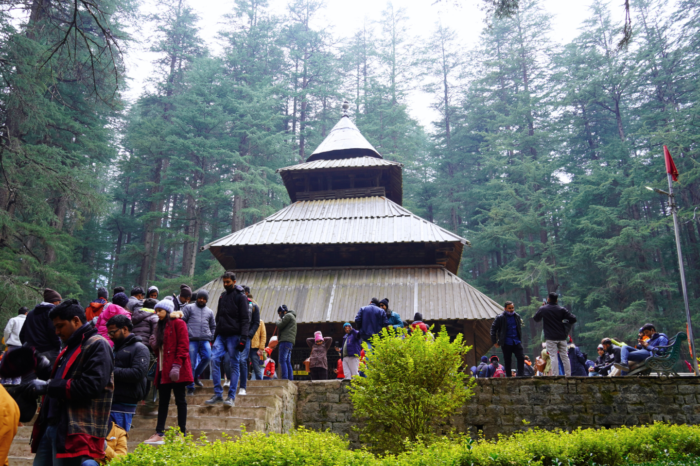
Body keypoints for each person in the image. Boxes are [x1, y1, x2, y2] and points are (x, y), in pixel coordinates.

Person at [28, 299, 114, 466]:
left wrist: (48, 386)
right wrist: (40, 364)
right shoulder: (70, 347)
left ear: (76, 320)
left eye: (60, 326)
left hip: (74, 430)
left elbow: (91, 386)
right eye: (55, 327)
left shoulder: (98, 344)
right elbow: (63, 381)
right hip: (53, 425)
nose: (57, 332)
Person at [143, 299, 193, 445]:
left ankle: (182, 432)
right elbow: (160, 350)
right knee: (163, 401)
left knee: (180, 400)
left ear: (168, 311)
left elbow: (183, 346)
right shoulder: (159, 325)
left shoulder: (179, 323)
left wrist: (177, 365)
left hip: (177, 369)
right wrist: (153, 345)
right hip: (163, 369)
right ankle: (159, 433)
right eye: (156, 310)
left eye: (160, 310)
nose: (157, 313)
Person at [206, 272, 249, 407]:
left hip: (234, 335)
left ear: (234, 282)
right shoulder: (222, 296)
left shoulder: (241, 297)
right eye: (224, 282)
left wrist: (243, 338)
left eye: (228, 282)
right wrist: (214, 336)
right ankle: (218, 394)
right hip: (221, 335)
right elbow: (218, 317)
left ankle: (231, 397)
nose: (225, 284)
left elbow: (245, 319)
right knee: (213, 359)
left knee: (234, 363)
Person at [107, 315, 149, 433]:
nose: (110, 336)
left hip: (124, 404)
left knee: (118, 444)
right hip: (110, 402)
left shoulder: (140, 348)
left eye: (112, 332)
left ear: (124, 329)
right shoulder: (114, 349)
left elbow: (137, 373)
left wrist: (110, 371)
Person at [533, 292, 577, 377]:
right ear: (557, 300)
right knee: (565, 356)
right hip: (562, 336)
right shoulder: (561, 309)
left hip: (550, 337)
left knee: (553, 357)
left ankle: (555, 375)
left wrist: (541, 307)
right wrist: (565, 323)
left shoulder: (544, 309)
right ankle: (568, 375)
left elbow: (536, 318)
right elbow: (573, 319)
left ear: (548, 299)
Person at [180, 290, 215, 396]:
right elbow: (182, 322)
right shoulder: (188, 308)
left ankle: (195, 376)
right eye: (200, 298)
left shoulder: (209, 311)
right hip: (191, 340)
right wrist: (186, 334)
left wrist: (211, 336)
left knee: (208, 357)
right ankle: (190, 387)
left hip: (205, 340)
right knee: (191, 362)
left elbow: (213, 326)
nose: (201, 300)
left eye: (204, 299)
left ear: (206, 300)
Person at [20, 288, 62, 365]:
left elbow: (22, 334)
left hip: (30, 352)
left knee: (30, 375)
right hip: (49, 351)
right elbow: (53, 331)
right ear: (54, 301)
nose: (59, 304)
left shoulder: (31, 313)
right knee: (50, 375)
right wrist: (58, 346)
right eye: (59, 301)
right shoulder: (52, 312)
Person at [490, 301, 526, 377]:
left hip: (516, 341)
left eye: (512, 308)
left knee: (521, 357)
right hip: (506, 342)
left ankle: (521, 375)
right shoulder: (500, 317)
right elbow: (493, 329)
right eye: (509, 308)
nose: (511, 309)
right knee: (507, 360)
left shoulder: (517, 316)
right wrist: (494, 341)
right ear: (505, 308)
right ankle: (509, 376)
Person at [238, 287, 260, 396]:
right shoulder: (235, 304)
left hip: (246, 337)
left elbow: (256, 322)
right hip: (234, 335)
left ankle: (243, 386)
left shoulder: (254, 306)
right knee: (231, 360)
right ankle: (233, 383)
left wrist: (249, 334)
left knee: (243, 360)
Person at [246, 288, 266, 381]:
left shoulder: (260, 322)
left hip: (255, 347)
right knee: (243, 363)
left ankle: (259, 380)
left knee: (256, 364)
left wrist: (261, 348)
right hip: (245, 344)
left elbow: (263, 336)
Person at [275, 304, 297, 381]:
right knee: (287, 361)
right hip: (290, 342)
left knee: (282, 360)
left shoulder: (288, 316)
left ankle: (284, 379)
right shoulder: (292, 316)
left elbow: (280, 325)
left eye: (279, 313)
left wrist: (277, 321)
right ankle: (290, 379)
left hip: (285, 341)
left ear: (282, 312)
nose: (279, 315)